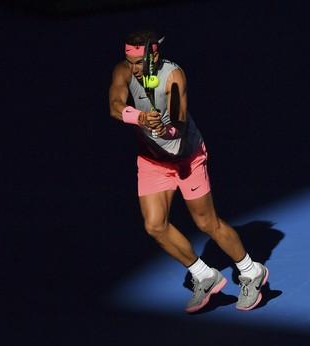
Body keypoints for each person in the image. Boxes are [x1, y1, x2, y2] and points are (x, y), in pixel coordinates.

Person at [108, 30, 269, 312]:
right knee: (155, 226)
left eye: (138, 62)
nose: (133, 69)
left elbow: (179, 124)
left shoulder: (174, 76)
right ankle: (204, 275)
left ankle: (251, 271)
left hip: (187, 159)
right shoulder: (123, 71)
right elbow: (115, 107)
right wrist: (142, 117)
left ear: (154, 56)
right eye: (129, 61)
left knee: (207, 224)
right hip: (151, 161)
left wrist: (165, 129)